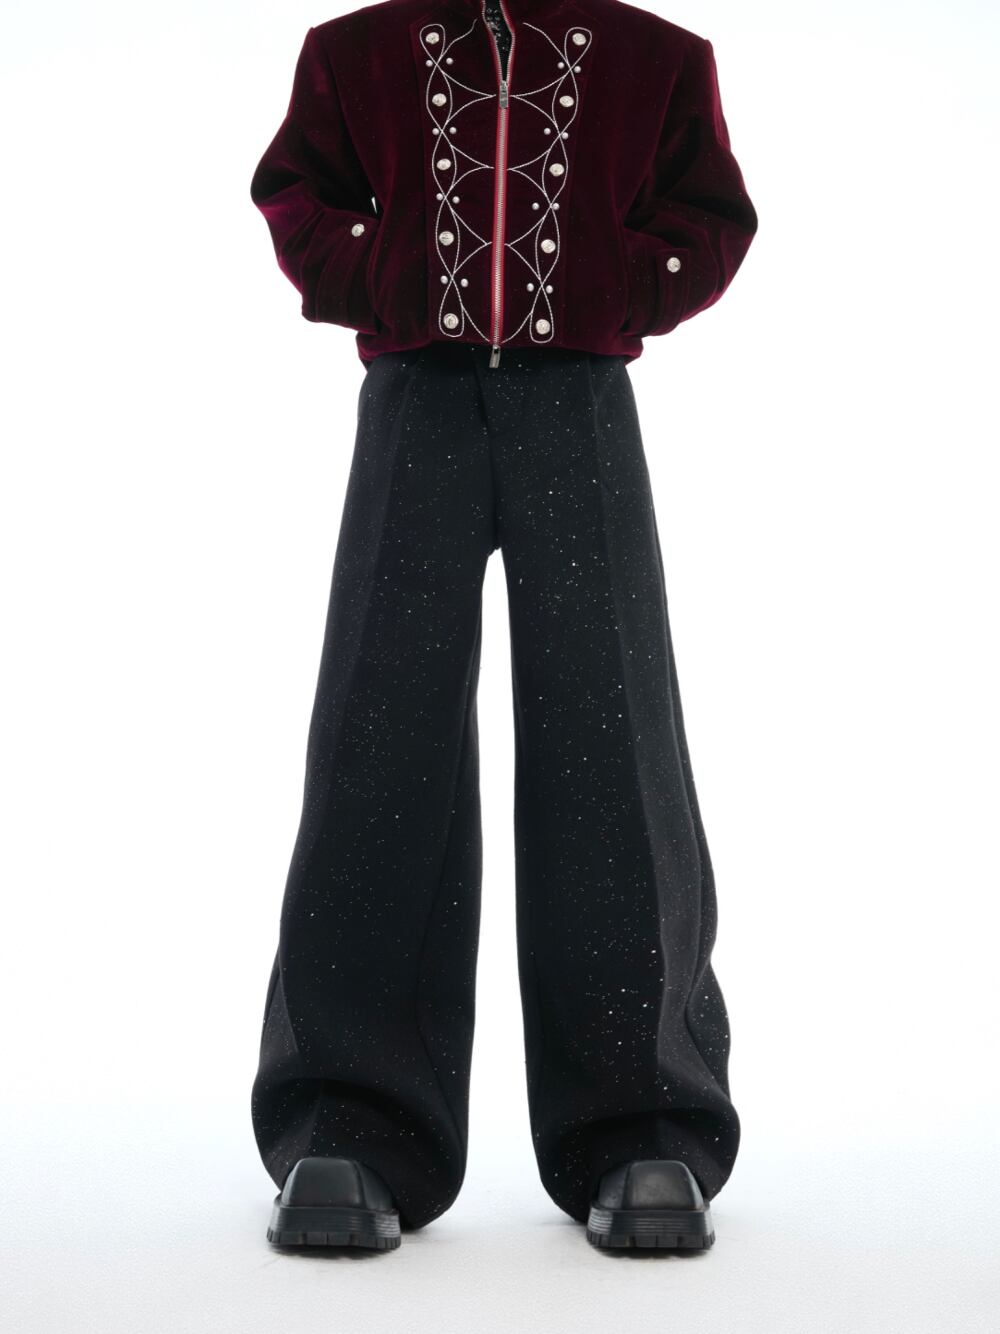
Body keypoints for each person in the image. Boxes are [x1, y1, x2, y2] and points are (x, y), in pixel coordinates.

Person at [247, 0, 758, 1252]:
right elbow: (295, 193)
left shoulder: (656, 58)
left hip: (577, 398)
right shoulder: (354, 52)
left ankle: (643, 1121)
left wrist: (610, 289)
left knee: (613, 738)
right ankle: (348, 1119)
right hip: (413, 395)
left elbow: (712, 215)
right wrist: (386, 275)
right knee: (379, 737)